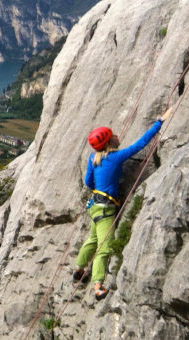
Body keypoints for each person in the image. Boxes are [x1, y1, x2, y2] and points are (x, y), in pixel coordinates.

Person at [73, 108, 171, 300]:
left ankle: (79, 268)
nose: (117, 136)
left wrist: (101, 184)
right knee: (104, 246)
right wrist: (158, 123)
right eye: (113, 135)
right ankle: (98, 285)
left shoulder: (94, 158)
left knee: (92, 238)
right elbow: (140, 144)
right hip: (106, 208)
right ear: (109, 142)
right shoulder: (115, 157)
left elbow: (88, 181)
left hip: (95, 205)